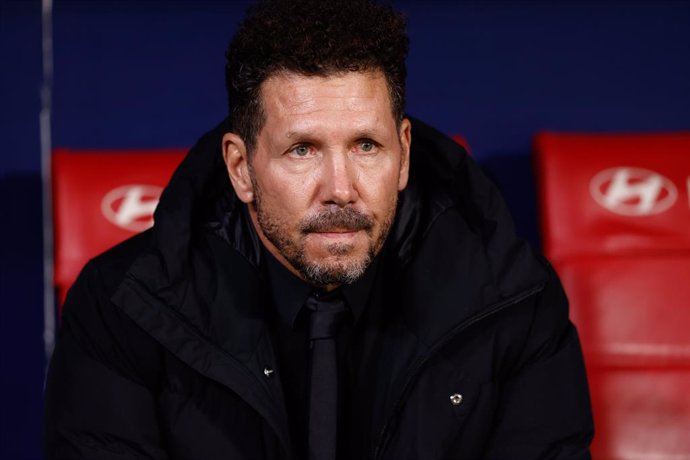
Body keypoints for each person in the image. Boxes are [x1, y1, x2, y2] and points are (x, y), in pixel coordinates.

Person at [44, 0, 594, 459]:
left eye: (366, 147)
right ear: (241, 168)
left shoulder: (512, 302)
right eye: (302, 150)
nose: (340, 188)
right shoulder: (124, 309)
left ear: (403, 156)